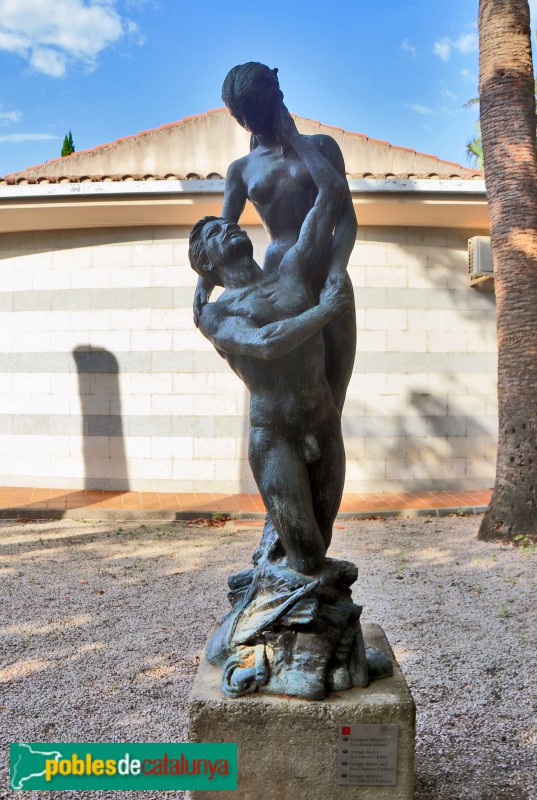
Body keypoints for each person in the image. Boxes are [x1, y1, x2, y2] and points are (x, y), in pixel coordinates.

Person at [189, 109, 353, 576]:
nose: (232, 224)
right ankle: (273, 616)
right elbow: (264, 343)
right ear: (208, 262)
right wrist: (325, 311)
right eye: (218, 232)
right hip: (274, 435)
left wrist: (293, 136)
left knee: (317, 552)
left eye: (227, 223)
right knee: (307, 557)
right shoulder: (218, 315)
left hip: (324, 424)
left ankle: (318, 624)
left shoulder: (294, 268)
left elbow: (332, 195)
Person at [194, 62, 357, 414]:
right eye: (240, 115)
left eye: (253, 110)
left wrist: (337, 269)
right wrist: (203, 285)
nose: (249, 123)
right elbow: (220, 232)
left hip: (326, 270)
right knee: (289, 381)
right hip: (278, 276)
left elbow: (345, 218)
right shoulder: (242, 169)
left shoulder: (321, 147)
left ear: (275, 99)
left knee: (333, 395)